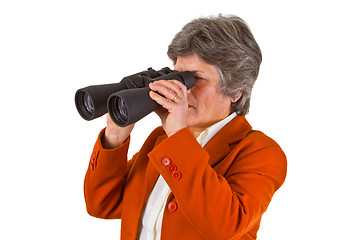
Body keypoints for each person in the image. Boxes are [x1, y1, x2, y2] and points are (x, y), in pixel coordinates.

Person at [84, 14, 287, 240]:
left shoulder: (261, 152)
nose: (182, 90)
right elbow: (102, 204)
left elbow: (223, 225)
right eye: (178, 77)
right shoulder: (160, 140)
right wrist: (114, 135)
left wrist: (177, 136)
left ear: (236, 90)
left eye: (195, 79)